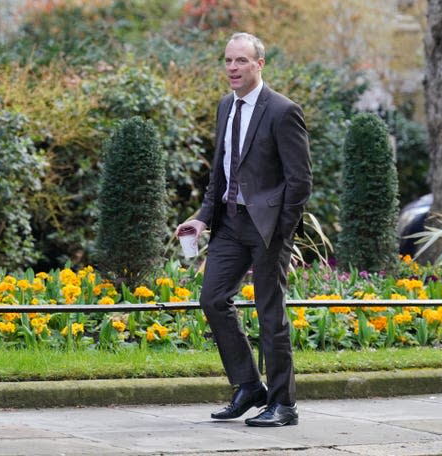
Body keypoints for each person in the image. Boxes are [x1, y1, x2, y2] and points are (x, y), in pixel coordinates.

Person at [175, 32, 312, 427]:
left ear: (259, 65)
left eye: (241, 61)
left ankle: (284, 404)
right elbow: (220, 172)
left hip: (268, 229)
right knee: (213, 299)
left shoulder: (283, 111)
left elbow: (300, 180)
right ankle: (250, 386)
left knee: (271, 314)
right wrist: (202, 218)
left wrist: (282, 229)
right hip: (229, 224)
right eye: (228, 61)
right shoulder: (225, 106)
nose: (232, 68)